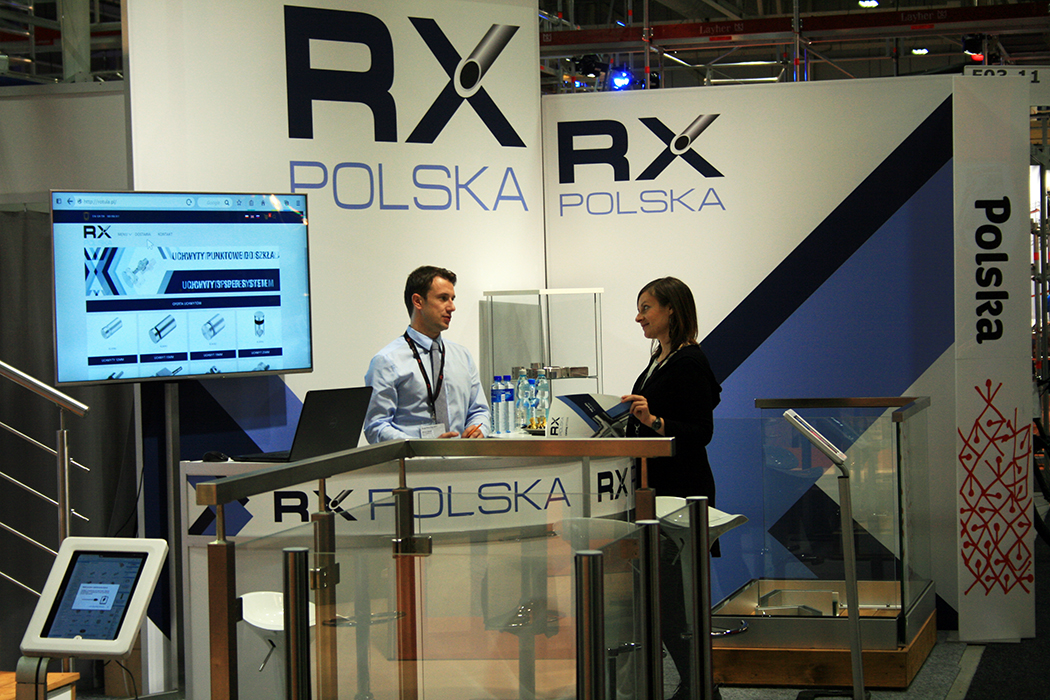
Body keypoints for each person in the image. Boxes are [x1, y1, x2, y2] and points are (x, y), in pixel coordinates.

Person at [620, 276, 722, 700]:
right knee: (663, 599)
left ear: (671, 310)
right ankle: (698, 685)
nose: (639, 316)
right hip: (655, 491)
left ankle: (699, 685)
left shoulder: (689, 361)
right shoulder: (659, 359)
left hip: (681, 493)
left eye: (646, 307)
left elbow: (700, 432)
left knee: (671, 601)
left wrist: (653, 422)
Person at [364, 266, 489, 442]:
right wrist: (421, 446)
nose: (452, 307)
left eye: (452, 299)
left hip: (461, 457)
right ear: (418, 301)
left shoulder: (462, 356)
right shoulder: (387, 361)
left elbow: (480, 411)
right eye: (443, 298)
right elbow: (376, 426)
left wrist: (479, 428)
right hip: (415, 459)